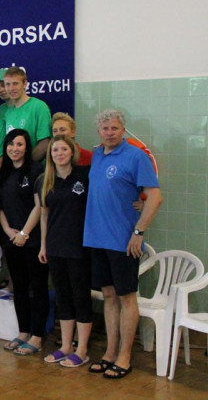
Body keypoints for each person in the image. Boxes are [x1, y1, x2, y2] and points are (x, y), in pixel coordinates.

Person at [84, 109, 162, 379]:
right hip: (96, 238)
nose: (109, 133)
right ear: (99, 132)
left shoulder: (136, 156)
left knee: (126, 297)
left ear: (123, 129)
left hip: (123, 241)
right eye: (105, 129)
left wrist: (138, 231)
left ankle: (125, 356)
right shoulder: (97, 155)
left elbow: (155, 197)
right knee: (108, 295)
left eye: (114, 128)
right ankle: (109, 352)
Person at [38, 135, 93, 367]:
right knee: (63, 296)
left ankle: (82, 349)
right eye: (55, 150)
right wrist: (43, 245)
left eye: (63, 149)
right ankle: (66, 346)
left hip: (79, 246)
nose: (59, 153)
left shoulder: (84, 175)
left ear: (72, 152)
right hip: (55, 246)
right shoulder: (47, 181)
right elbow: (44, 215)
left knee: (80, 296)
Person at [0, 129, 47, 355]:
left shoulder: (37, 170)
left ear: (27, 147)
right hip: (11, 240)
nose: (14, 148)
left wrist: (24, 233)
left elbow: (40, 206)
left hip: (33, 240)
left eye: (19, 144)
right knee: (19, 287)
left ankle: (37, 336)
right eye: (11, 144)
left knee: (38, 288)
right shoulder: (3, 173)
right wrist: (8, 230)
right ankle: (23, 332)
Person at [3, 66, 52, 162]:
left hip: (35, 171)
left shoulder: (39, 107)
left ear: (25, 84)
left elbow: (45, 143)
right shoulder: (8, 112)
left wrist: (26, 166)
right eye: (8, 84)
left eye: (15, 83)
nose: (11, 88)